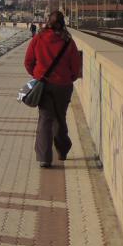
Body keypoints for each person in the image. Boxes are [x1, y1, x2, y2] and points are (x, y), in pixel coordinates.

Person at [24, 10, 83, 168]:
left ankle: (44, 158)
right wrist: (69, 77)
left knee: (45, 119)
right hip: (63, 86)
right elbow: (76, 66)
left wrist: (37, 75)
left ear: (47, 22)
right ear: (63, 23)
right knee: (60, 117)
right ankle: (62, 150)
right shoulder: (68, 41)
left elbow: (28, 61)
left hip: (43, 85)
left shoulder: (38, 38)